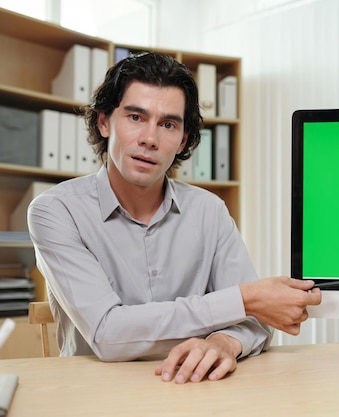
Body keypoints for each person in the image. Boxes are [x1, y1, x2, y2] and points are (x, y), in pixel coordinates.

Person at [27, 51, 321, 384]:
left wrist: (225, 341)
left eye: (168, 124)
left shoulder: (210, 210)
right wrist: (242, 299)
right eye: (136, 117)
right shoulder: (55, 211)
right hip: (98, 396)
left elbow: (256, 321)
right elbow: (108, 333)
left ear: (182, 140)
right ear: (104, 122)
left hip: (197, 391)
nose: (149, 139)